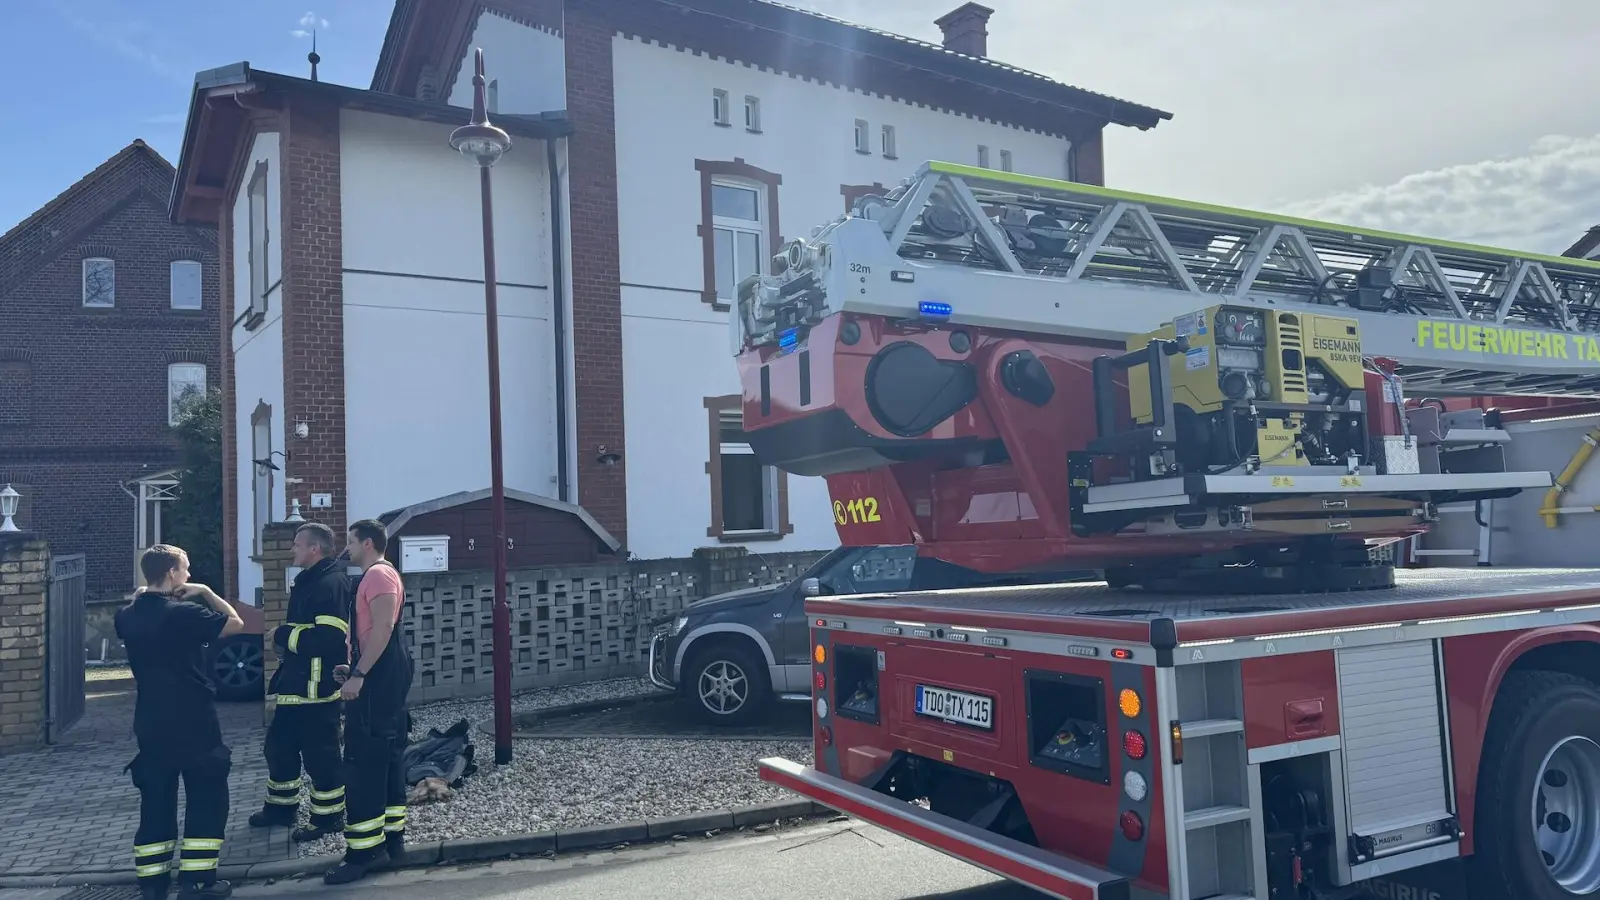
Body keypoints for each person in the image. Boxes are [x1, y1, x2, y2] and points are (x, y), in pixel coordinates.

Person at [114, 544, 246, 900]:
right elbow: (236, 624)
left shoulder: (126, 617)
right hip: (193, 719)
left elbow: (137, 609)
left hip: (151, 721)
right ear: (172, 573)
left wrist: (143, 594)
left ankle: (153, 884)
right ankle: (198, 883)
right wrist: (206, 592)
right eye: (185, 569)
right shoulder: (185, 613)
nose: (188, 575)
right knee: (206, 794)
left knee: (156, 800)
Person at [248, 522, 351, 841]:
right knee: (279, 749)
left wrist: (282, 634)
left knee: (321, 757)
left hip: (316, 690)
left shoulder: (329, 584)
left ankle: (329, 817)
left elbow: (328, 638)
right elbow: (308, 633)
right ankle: (280, 809)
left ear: (314, 548)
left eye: (296, 544)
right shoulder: (311, 581)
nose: (292, 550)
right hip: (296, 685)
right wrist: (286, 642)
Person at [325, 519, 414, 885]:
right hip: (381, 671)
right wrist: (355, 666)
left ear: (367, 542)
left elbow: (383, 628)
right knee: (388, 756)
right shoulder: (382, 575)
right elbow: (374, 633)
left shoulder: (377, 575)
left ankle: (363, 853)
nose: (346, 548)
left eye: (350, 541)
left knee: (364, 761)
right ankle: (392, 841)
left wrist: (360, 674)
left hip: (378, 678)